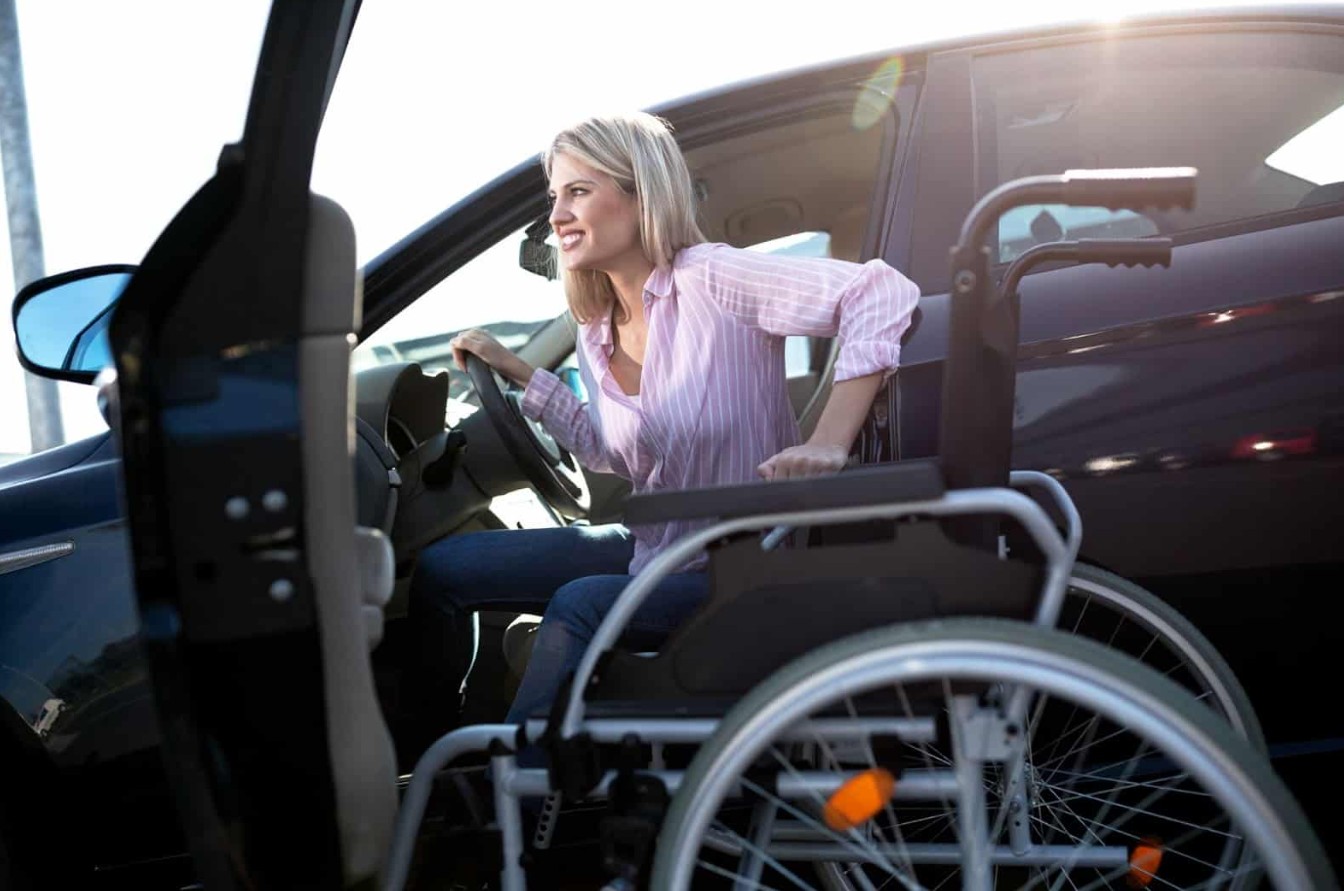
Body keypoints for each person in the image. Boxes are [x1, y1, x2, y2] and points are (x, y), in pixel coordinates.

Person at [408, 111, 919, 734]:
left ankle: (509, 779)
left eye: (578, 191)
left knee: (579, 604)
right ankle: (419, 755)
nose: (557, 215)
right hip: (657, 551)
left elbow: (879, 293)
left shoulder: (712, 278)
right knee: (445, 567)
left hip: (743, 565)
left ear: (639, 193)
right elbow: (608, 454)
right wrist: (520, 373)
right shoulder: (597, 330)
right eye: (554, 197)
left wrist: (828, 442)